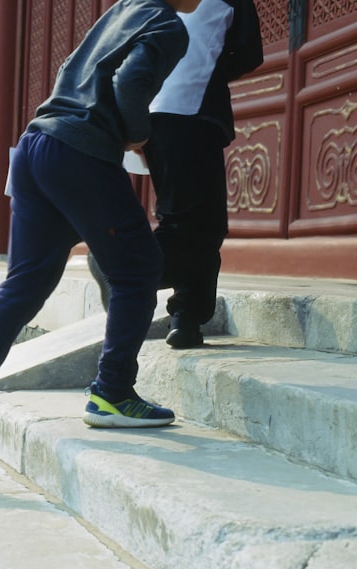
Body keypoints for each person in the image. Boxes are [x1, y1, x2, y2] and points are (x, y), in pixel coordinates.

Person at [0, 0, 200, 469]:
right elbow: (130, 81)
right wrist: (137, 134)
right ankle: (112, 392)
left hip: (36, 144)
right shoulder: (169, 24)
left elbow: (71, 66)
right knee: (140, 269)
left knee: (25, 283)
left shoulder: (122, 10)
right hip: (81, 149)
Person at [143, 0, 263, 348]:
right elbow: (248, 53)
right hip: (192, 111)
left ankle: (186, 319)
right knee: (202, 225)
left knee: (184, 220)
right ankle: (122, 266)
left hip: (153, 112)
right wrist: (209, 65)